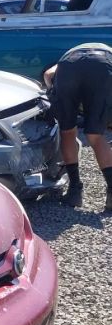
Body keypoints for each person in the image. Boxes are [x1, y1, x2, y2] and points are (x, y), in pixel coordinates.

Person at [44, 43, 112, 212]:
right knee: (95, 135)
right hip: (103, 67)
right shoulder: (108, 56)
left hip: (69, 67)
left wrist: (53, 91)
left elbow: (48, 74)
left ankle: (74, 191)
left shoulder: (68, 56)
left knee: (67, 131)